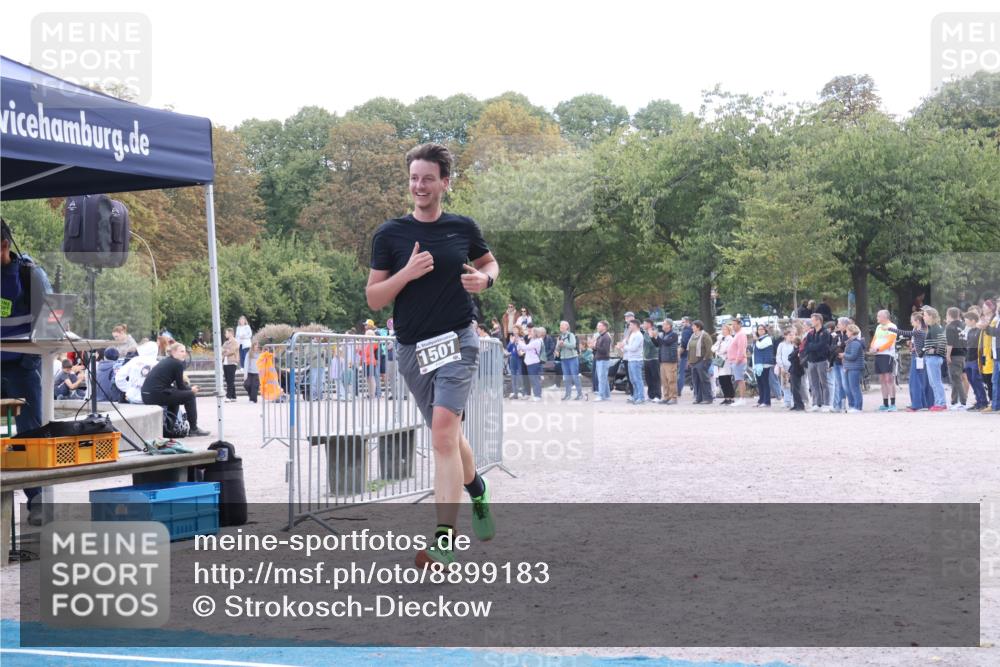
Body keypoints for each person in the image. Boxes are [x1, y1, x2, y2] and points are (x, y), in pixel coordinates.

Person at [366, 142, 499, 568]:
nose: (419, 186)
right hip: (412, 349)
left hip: (458, 340)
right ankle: (477, 490)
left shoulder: (462, 227)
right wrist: (406, 273)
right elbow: (374, 298)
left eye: (427, 178)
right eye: (413, 178)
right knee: (450, 436)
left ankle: (444, 539)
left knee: (441, 433)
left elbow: (490, 263)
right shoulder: (390, 234)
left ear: (445, 182)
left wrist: (486, 280)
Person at [1, 218, 53, 523]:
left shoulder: (30, 274)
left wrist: (29, 361)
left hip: (22, 366)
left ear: (5, 246)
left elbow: (52, 321)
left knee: (31, 432)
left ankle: (38, 501)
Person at [141, 342, 210, 437]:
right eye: (181, 351)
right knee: (190, 396)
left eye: (185, 351)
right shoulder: (177, 363)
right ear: (173, 352)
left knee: (175, 398)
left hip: (147, 395)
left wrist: (187, 389)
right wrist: (191, 390)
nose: (184, 354)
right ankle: (193, 429)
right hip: (155, 394)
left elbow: (177, 387)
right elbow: (181, 386)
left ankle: (169, 429)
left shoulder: (167, 361)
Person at [893, 311, 933, 412]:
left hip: (918, 358)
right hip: (919, 357)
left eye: (912, 321)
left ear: (918, 321)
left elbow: (905, 333)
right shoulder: (921, 330)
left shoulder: (920, 331)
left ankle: (917, 404)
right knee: (921, 381)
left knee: (915, 381)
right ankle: (924, 403)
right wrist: (914, 346)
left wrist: (889, 329)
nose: (911, 323)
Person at [920, 307, 948, 412]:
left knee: (936, 382)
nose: (923, 317)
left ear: (931, 316)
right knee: (933, 383)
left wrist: (935, 350)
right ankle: (938, 402)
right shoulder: (933, 327)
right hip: (931, 358)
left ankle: (941, 403)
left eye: (925, 315)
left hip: (934, 358)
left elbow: (943, 341)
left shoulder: (936, 328)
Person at [870, 310, 899, 412]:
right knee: (882, 379)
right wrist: (872, 347)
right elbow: (874, 339)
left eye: (879, 316)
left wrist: (879, 349)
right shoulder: (878, 327)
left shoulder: (892, 326)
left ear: (885, 317)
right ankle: (885, 403)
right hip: (878, 355)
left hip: (887, 355)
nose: (877, 318)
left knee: (889, 379)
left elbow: (890, 341)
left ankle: (893, 404)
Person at [803, 313, 833, 412]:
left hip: (821, 360)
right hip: (811, 361)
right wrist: (814, 346)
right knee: (814, 383)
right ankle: (816, 403)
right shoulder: (810, 334)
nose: (811, 322)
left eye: (813, 320)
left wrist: (813, 346)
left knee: (824, 383)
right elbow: (806, 346)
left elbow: (823, 346)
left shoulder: (825, 333)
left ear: (818, 321)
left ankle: (826, 403)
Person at [963, 311, 989, 411]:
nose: (965, 322)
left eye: (966, 320)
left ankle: (983, 402)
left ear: (973, 320)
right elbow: (968, 345)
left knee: (977, 380)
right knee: (971, 380)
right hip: (968, 359)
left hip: (976, 359)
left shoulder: (979, 331)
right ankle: (978, 402)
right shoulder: (970, 331)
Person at [978, 300, 1000, 413]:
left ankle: (994, 404)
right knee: (994, 381)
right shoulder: (996, 318)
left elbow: (997, 333)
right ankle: (995, 405)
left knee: (993, 380)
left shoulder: (995, 319)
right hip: (993, 353)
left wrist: (986, 327)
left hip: (994, 353)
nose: (998, 304)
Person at [944, 307, 967, 410]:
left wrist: (947, 355)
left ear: (949, 315)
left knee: (956, 379)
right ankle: (954, 401)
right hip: (963, 354)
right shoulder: (963, 325)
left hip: (954, 355)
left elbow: (950, 343)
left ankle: (963, 402)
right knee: (955, 378)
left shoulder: (950, 327)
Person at [687, 320, 714, 404]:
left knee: (704, 380)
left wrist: (705, 359)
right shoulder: (692, 336)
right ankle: (698, 398)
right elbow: (690, 349)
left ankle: (708, 398)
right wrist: (689, 360)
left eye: (693, 326)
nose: (692, 327)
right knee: (696, 380)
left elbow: (709, 349)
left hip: (702, 360)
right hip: (693, 361)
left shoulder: (705, 335)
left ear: (698, 327)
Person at [653, 319, 679, 405]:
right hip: (663, 361)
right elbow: (657, 344)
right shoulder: (663, 335)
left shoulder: (674, 335)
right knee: (664, 381)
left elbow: (666, 343)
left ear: (669, 325)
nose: (662, 326)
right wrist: (653, 337)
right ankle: (666, 397)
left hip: (670, 361)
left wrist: (657, 337)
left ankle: (673, 397)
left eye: (664, 324)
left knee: (671, 380)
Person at [620, 318, 645, 404]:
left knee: (637, 379)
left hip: (636, 360)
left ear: (635, 325)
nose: (629, 326)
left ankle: (641, 397)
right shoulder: (632, 335)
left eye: (630, 325)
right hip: (631, 359)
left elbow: (634, 348)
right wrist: (622, 347)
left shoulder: (638, 335)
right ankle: (636, 396)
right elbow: (629, 347)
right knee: (632, 380)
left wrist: (624, 347)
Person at [556, 321, 583, 401]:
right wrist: (558, 346)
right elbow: (557, 348)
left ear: (567, 327)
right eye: (560, 325)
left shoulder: (571, 335)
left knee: (575, 376)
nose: (560, 327)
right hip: (563, 359)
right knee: (566, 378)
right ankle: (567, 395)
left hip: (572, 358)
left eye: (562, 325)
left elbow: (573, 345)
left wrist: (564, 344)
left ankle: (580, 394)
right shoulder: (560, 336)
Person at [842, 324, 866, 412]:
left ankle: (857, 407)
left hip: (855, 368)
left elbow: (853, 356)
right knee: (849, 388)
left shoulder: (855, 343)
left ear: (852, 332)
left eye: (847, 331)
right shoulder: (850, 342)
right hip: (849, 367)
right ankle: (852, 405)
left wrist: (844, 355)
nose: (846, 333)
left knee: (855, 387)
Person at [829, 317, 850, 413]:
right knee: (838, 385)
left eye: (839, 324)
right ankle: (838, 405)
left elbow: (846, 347)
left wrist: (839, 347)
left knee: (845, 384)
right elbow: (831, 348)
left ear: (845, 325)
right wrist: (838, 347)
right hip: (836, 362)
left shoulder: (848, 335)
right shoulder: (836, 335)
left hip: (844, 363)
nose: (837, 325)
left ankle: (846, 405)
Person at [752, 324, 776, 407]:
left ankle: (766, 401)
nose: (760, 331)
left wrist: (756, 340)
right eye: (759, 329)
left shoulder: (767, 339)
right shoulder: (759, 339)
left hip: (765, 364)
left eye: (762, 329)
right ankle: (761, 400)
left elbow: (760, 346)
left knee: (765, 382)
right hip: (758, 364)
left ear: (765, 330)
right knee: (760, 383)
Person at [726, 317, 748, 406]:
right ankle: (742, 399)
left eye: (735, 325)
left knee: (740, 380)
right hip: (735, 361)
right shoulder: (737, 334)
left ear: (739, 325)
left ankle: (742, 399)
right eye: (732, 325)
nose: (733, 326)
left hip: (738, 361)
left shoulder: (741, 334)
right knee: (739, 380)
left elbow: (741, 348)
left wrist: (737, 360)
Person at [518, 326, 544, 400]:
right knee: (533, 379)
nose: (530, 333)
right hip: (530, 362)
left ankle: (538, 395)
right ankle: (537, 395)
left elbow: (526, 347)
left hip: (533, 362)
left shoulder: (536, 341)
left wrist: (519, 341)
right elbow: (527, 349)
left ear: (535, 333)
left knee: (535, 379)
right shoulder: (533, 340)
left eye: (531, 332)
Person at [712, 323, 734, 405]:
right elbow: (713, 348)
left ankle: (731, 397)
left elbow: (725, 349)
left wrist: (718, 349)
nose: (723, 331)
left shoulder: (730, 339)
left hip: (726, 361)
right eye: (722, 329)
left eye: (725, 329)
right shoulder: (720, 339)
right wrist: (718, 348)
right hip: (719, 360)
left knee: (727, 379)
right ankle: (726, 397)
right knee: (721, 380)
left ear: (729, 330)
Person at [641, 319, 661, 402]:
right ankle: (651, 395)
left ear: (649, 324)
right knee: (648, 378)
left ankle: (657, 395)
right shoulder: (645, 333)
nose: (643, 325)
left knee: (655, 378)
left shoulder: (654, 332)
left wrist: (650, 335)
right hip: (646, 358)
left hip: (654, 358)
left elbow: (653, 344)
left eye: (644, 324)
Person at [776, 328, 795, 409]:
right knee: (785, 384)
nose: (792, 337)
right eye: (790, 335)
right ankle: (787, 401)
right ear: (785, 336)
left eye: (793, 335)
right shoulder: (781, 345)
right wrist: (781, 366)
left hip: (793, 367)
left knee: (793, 384)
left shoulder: (795, 345)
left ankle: (793, 401)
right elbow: (778, 356)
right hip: (784, 367)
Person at [593, 320, 612, 401]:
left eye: (599, 326)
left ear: (604, 327)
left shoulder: (606, 337)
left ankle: (601, 395)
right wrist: (593, 347)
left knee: (601, 379)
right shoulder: (600, 336)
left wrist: (595, 346)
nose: (597, 327)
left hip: (603, 360)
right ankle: (607, 395)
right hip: (599, 359)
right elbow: (597, 349)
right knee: (604, 378)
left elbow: (605, 350)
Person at [787, 335, 807, 411]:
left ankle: (800, 405)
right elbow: (790, 357)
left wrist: (791, 356)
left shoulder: (799, 350)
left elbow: (791, 357)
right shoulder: (795, 349)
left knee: (796, 388)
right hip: (793, 369)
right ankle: (796, 404)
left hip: (797, 370)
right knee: (793, 388)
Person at [221, 327, 240, 403]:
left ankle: (228, 396)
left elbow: (232, 351)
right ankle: (233, 396)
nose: (225, 334)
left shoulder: (235, 342)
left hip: (232, 362)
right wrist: (225, 351)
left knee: (230, 380)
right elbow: (222, 350)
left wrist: (226, 351)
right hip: (225, 362)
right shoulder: (225, 342)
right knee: (228, 379)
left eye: (226, 333)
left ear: (230, 333)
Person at [677, 316, 693, 397]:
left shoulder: (686, 331)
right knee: (692, 372)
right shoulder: (691, 330)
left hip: (685, 354)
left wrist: (680, 351)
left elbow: (684, 343)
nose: (682, 323)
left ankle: (678, 390)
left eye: (683, 322)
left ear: (687, 322)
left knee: (681, 373)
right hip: (691, 354)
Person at [505, 332, 523, 399]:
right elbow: (508, 349)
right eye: (513, 336)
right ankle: (515, 392)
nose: (514, 337)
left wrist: (518, 342)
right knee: (513, 376)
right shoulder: (512, 343)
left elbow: (521, 350)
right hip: (512, 359)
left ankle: (520, 391)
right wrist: (511, 342)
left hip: (519, 360)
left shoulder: (520, 342)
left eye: (516, 336)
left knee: (519, 376)